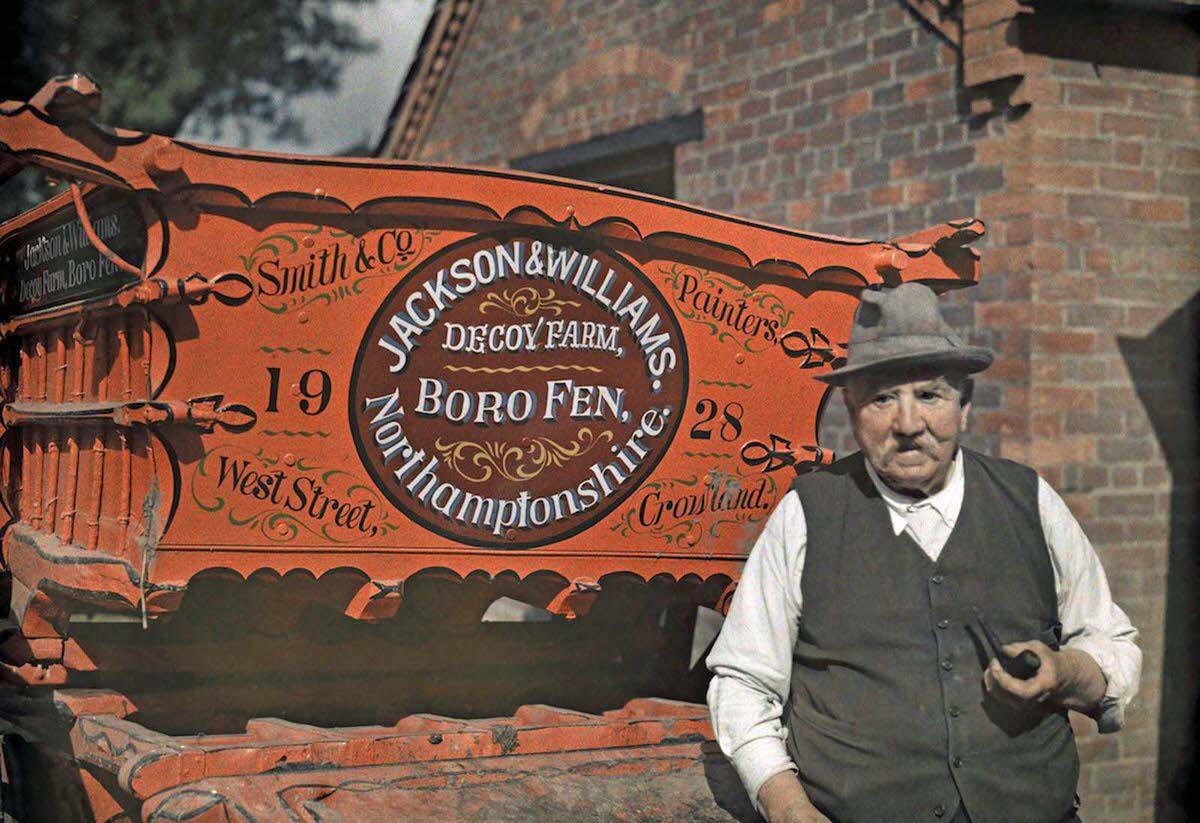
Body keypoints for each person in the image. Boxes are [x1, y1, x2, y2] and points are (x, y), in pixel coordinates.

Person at [706, 283, 1141, 823]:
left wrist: (1065, 671)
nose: (907, 425)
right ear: (851, 409)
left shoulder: (1029, 501)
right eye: (882, 398)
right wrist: (788, 808)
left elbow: (1112, 644)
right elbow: (743, 683)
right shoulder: (807, 514)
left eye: (929, 395)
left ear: (964, 406)